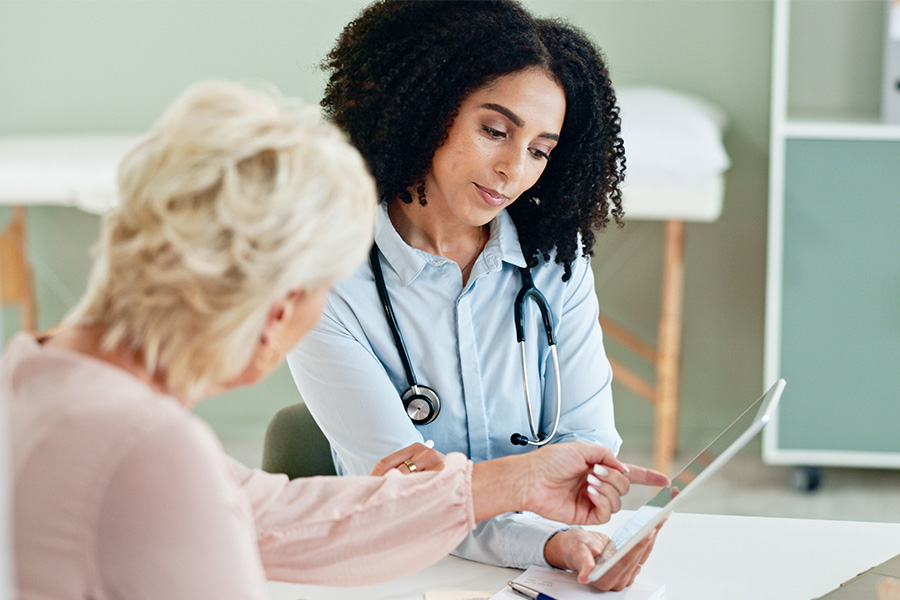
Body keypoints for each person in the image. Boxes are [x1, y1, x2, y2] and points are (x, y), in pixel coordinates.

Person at [3, 80, 647, 599]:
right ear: (277, 307)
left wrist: (517, 481)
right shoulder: (149, 450)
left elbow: (270, 517)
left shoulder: (34, 380)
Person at [287, 0, 667, 591]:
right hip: (397, 571)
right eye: (495, 131)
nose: (513, 169)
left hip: (539, 570)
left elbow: (586, 442)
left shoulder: (555, 262)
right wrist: (546, 535)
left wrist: (575, 511)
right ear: (425, 111)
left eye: (540, 150)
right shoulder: (323, 285)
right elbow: (406, 499)